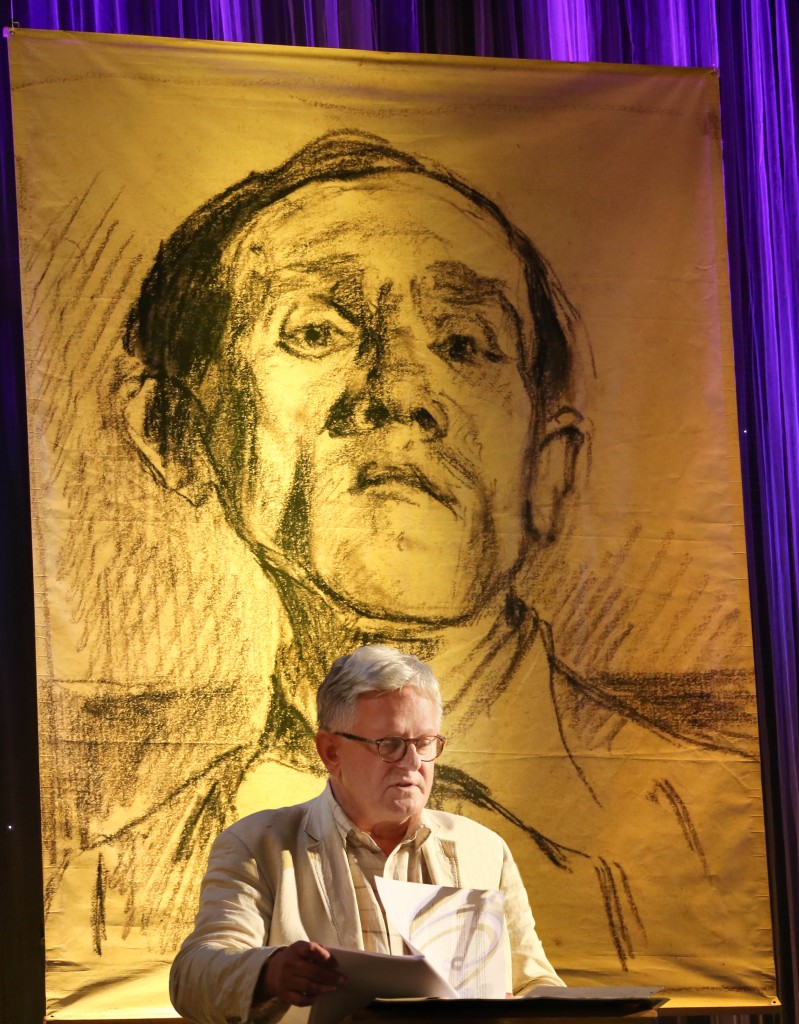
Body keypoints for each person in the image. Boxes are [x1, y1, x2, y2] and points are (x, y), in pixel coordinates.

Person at [95, 128, 767, 988]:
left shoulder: (691, 826)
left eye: (463, 344)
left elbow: (529, 981)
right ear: (179, 434)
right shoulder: (127, 878)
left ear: (548, 466)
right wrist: (270, 975)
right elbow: (201, 972)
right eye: (315, 331)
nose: (399, 392)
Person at [169, 645, 564, 1024]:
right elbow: (191, 977)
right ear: (330, 751)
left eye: (425, 742)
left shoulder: (483, 849)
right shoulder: (259, 845)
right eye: (390, 744)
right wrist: (269, 972)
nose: (413, 762)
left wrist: (523, 1008)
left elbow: (534, 982)